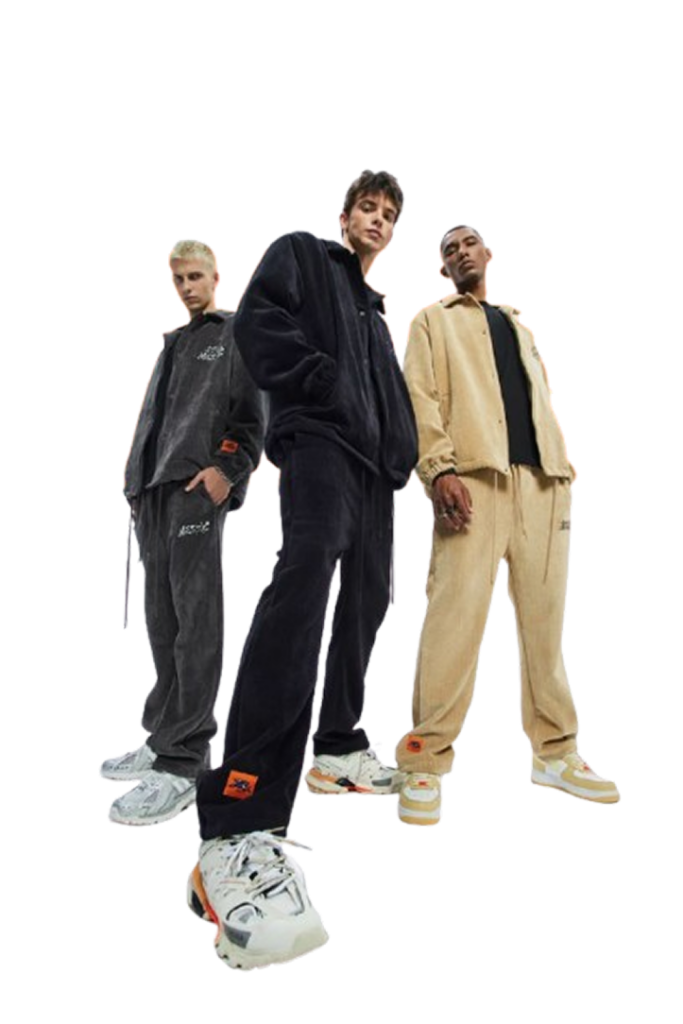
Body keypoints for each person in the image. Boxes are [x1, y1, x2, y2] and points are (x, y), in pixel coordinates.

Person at [185, 169, 418, 972]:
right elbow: (259, 322)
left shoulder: (375, 312)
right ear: (343, 215)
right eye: (367, 208)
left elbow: (388, 396)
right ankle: (240, 810)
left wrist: (400, 450)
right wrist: (320, 384)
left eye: (388, 215)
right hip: (317, 441)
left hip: (375, 470)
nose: (376, 221)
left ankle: (338, 743)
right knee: (306, 577)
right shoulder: (301, 254)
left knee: (372, 595)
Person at [394, 222, 621, 827]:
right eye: (449, 250)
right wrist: (438, 470)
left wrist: (561, 476)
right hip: (473, 481)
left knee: (547, 628)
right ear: (443, 268)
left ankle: (556, 753)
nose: (460, 253)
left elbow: (537, 403)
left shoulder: (520, 327)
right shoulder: (431, 322)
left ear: (488, 254)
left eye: (469, 244)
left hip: (544, 486)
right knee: (453, 620)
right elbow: (419, 397)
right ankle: (424, 759)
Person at [101, 238, 265, 827]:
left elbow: (253, 414)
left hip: (195, 491)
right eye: (179, 279)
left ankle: (184, 760)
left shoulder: (236, 332)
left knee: (196, 624)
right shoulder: (173, 343)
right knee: (162, 622)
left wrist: (227, 469)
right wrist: (137, 487)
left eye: (197, 276)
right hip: (153, 496)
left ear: (217, 276)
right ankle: (161, 736)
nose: (188, 287)